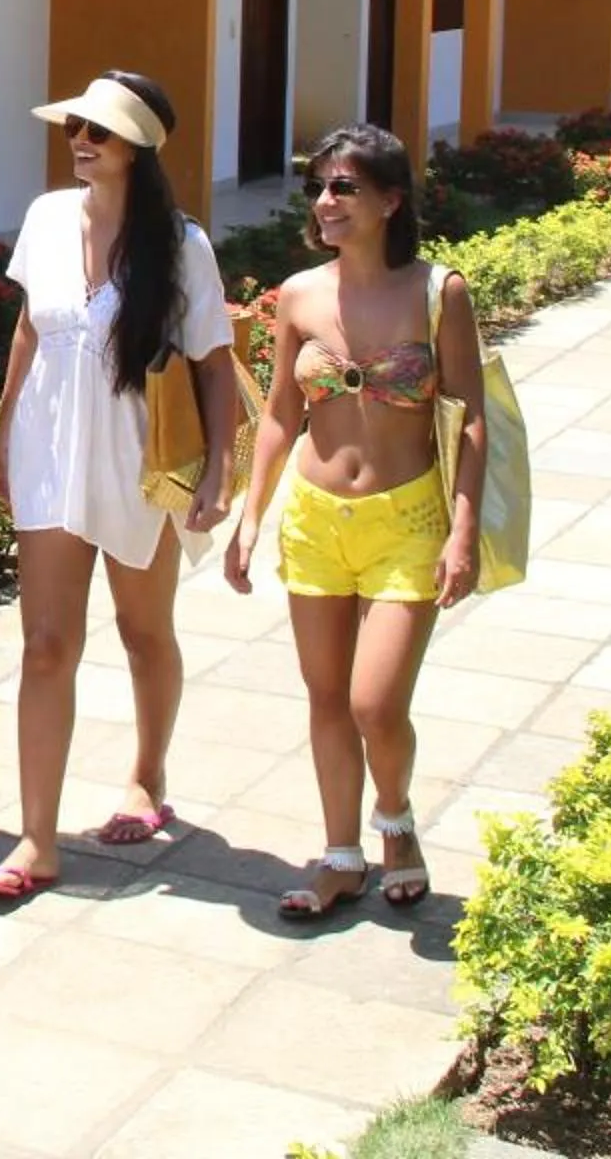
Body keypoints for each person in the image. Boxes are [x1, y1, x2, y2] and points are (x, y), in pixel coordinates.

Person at [0, 72, 239, 899]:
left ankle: (147, 775)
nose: (83, 142)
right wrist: (5, 431)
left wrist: (220, 469)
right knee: (46, 645)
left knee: (142, 630)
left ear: (140, 148)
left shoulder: (181, 244)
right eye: (75, 130)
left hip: (139, 458)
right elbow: (28, 329)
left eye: (101, 132)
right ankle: (36, 840)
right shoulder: (50, 217)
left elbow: (216, 362)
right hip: (52, 449)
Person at [221, 123, 485, 917]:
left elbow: (469, 419)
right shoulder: (300, 295)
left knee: (376, 702)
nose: (326, 202)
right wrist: (249, 512)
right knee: (326, 695)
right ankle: (340, 855)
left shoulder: (440, 292)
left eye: (344, 187)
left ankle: (395, 821)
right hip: (315, 518)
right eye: (318, 188)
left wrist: (463, 530)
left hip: (407, 519)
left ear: (390, 199)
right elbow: (277, 415)